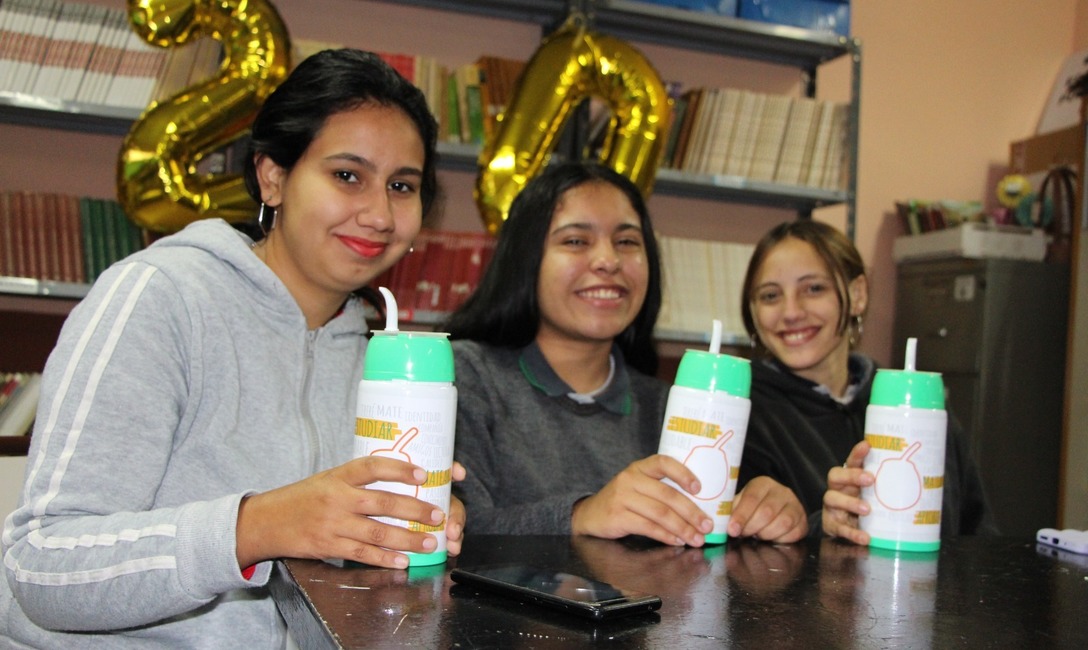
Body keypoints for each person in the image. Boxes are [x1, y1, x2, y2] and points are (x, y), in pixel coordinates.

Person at [0, 49, 464, 647]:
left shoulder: (382, 359)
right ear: (273, 176)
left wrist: (409, 529)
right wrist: (252, 527)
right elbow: (41, 566)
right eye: (347, 175)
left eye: (402, 185)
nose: (379, 213)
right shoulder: (158, 299)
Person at [445, 161, 806, 548]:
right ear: (526, 259)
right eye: (576, 241)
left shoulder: (670, 405)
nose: (608, 261)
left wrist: (764, 514)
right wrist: (582, 515)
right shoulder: (466, 375)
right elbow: (459, 530)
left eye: (627, 242)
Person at [735, 219, 996, 544]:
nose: (791, 312)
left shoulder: (916, 405)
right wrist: (822, 526)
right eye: (771, 295)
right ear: (753, 311)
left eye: (814, 288)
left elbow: (976, 531)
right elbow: (735, 557)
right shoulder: (739, 411)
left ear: (857, 294)